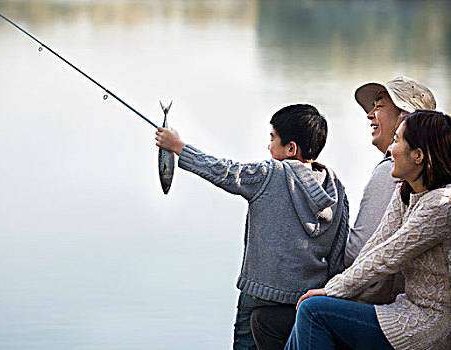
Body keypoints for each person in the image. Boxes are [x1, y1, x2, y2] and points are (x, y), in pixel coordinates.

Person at [250, 76, 437, 350]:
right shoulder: (427, 174)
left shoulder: (390, 174)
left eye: (380, 106)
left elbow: (359, 253)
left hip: (382, 304)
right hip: (392, 298)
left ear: (406, 118)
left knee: (267, 319)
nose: (370, 115)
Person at [155, 104, 349, 350]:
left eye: (272, 139)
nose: (268, 147)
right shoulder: (337, 190)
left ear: (291, 149)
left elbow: (223, 171)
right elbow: (338, 252)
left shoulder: (270, 173)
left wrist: (177, 147)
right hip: (309, 299)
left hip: (261, 295)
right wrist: (329, 296)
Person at [285, 110, 451, 350]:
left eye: (396, 141)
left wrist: (331, 290)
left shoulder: (440, 205)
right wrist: (338, 291)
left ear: (418, 155)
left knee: (314, 311)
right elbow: (374, 247)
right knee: (312, 309)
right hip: (404, 310)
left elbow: (387, 257)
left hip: (430, 325)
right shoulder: (406, 192)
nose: (390, 150)